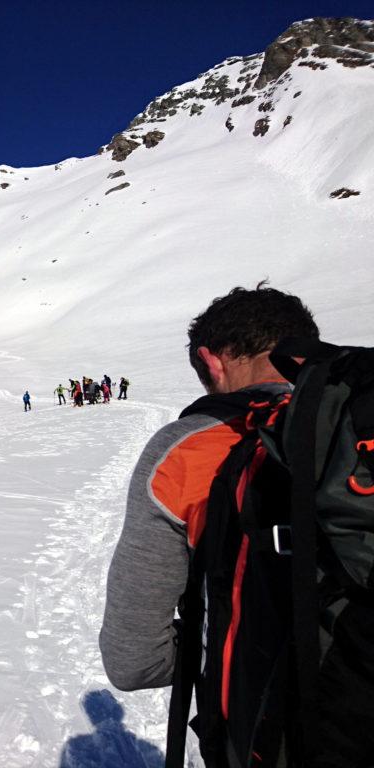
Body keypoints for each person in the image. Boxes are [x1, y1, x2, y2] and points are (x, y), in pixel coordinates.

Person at [99, 286, 320, 760]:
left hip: (270, 733)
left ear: (213, 361)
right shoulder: (356, 426)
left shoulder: (187, 449)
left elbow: (132, 659)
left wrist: (221, 647)